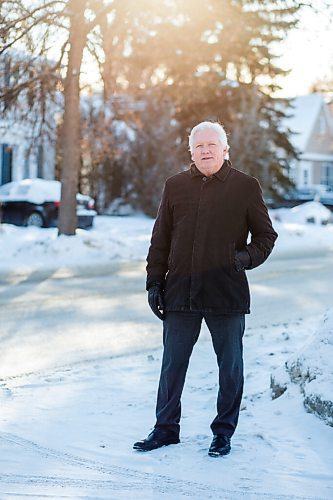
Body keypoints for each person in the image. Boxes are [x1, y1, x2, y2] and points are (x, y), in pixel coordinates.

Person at [133, 121, 278, 457]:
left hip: (226, 293)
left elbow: (266, 236)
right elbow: (160, 240)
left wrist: (242, 258)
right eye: (199, 146)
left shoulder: (245, 186)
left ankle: (223, 433)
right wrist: (154, 283)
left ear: (225, 149)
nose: (206, 151)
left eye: (212, 145)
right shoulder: (175, 186)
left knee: (230, 368)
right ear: (191, 152)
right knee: (171, 366)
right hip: (180, 291)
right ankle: (166, 429)